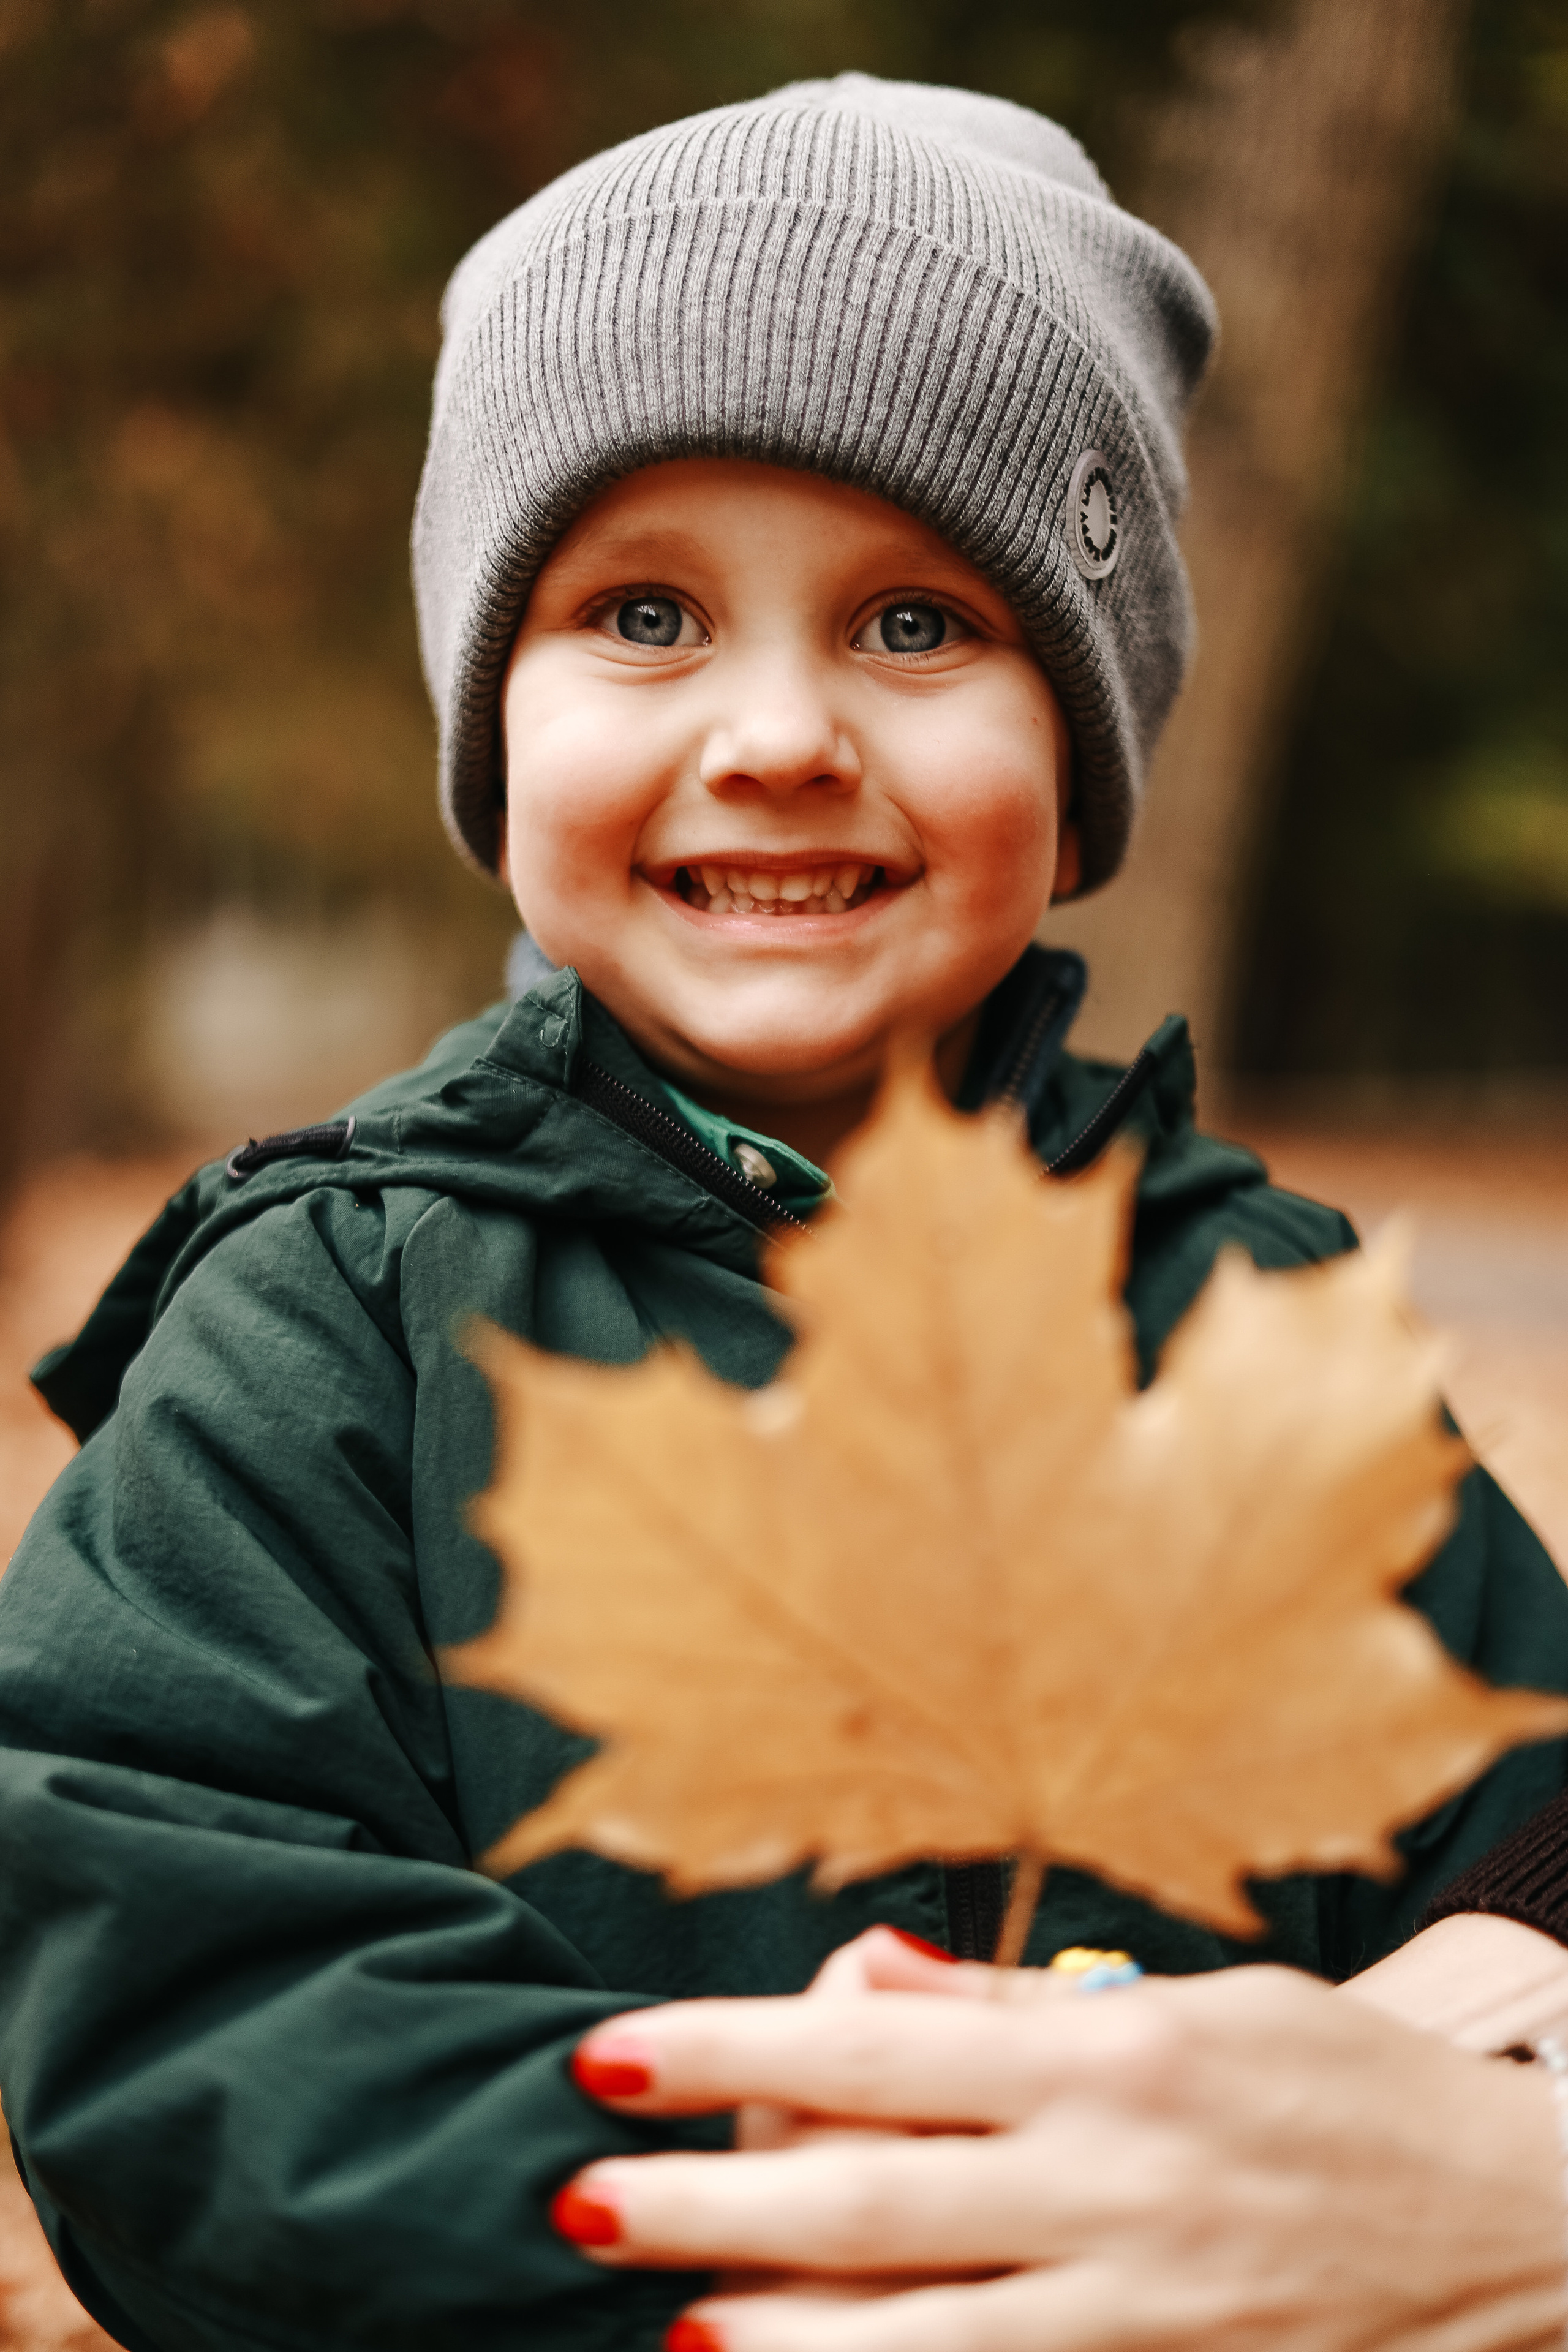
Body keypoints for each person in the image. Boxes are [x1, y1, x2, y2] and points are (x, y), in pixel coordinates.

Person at [1, 73, 1564, 2352]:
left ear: (1089, 733)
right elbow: (183, 2005)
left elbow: (1518, 1794)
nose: (779, 734)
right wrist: (826, 2209)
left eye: (918, 627)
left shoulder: (1246, 1312)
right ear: (489, 718)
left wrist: (1506, 1985)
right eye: (642, 613)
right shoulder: (335, 1317)